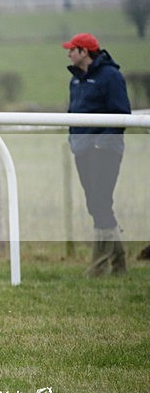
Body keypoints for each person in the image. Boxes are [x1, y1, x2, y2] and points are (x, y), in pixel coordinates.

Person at [63, 32, 131, 276]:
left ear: (84, 52)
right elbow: (73, 113)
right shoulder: (75, 80)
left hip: (105, 151)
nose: (68, 53)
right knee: (97, 205)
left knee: (101, 204)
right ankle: (119, 262)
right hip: (83, 150)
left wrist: (101, 143)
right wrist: (74, 140)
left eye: (72, 49)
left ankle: (99, 265)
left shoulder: (111, 77)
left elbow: (121, 113)